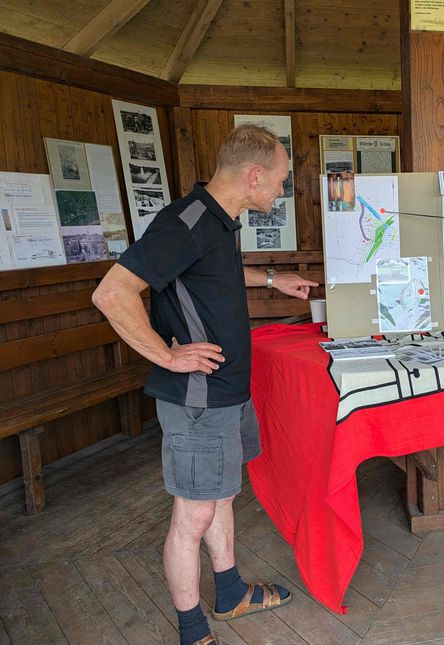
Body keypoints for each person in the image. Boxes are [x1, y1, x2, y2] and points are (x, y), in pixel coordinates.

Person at [92, 124, 319, 645]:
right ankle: (192, 630)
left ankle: (231, 591)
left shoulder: (216, 219)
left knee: (219, 499)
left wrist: (271, 280)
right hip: (198, 400)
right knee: (192, 515)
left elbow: (209, 273)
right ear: (255, 175)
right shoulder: (186, 221)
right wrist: (166, 355)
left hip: (227, 394)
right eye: (281, 180)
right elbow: (112, 293)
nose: (282, 190)